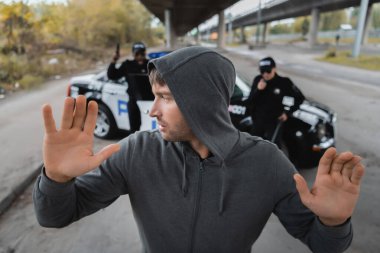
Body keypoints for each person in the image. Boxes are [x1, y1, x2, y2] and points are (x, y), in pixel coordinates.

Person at [34, 46, 365, 253]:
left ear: (202, 103)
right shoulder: (137, 152)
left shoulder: (267, 163)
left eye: (165, 98)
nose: (152, 111)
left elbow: (322, 243)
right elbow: (56, 216)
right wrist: (56, 179)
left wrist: (334, 222)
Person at [248, 57, 305, 144]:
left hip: (274, 123)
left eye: (268, 71)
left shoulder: (284, 82)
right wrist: (258, 90)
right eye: (262, 71)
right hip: (258, 122)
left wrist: (287, 113)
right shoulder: (258, 80)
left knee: (273, 148)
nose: (265, 74)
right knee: (254, 147)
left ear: (274, 69)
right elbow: (250, 100)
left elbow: (300, 98)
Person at [107, 41, 150, 133]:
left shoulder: (151, 64)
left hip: (150, 102)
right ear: (133, 54)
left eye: (142, 53)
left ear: (145, 53)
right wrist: (114, 60)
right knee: (134, 130)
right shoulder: (127, 65)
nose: (140, 56)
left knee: (152, 129)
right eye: (137, 53)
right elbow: (112, 75)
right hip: (134, 102)